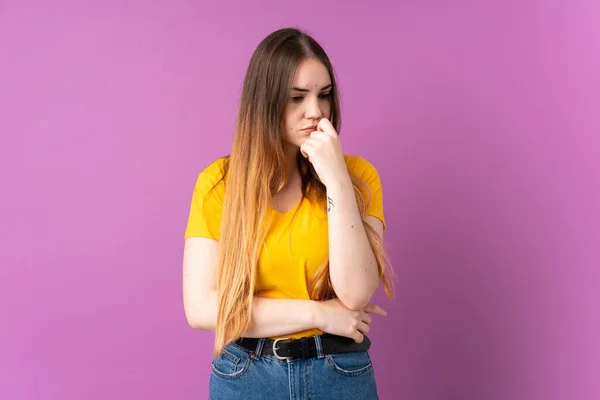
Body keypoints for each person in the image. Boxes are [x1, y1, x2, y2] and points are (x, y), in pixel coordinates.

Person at [182, 27, 395, 400]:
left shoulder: (360, 178)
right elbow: (202, 308)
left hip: (339, 375)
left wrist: (337, 181)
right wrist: (320, 315)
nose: (316, 112)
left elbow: (356, 292)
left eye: (324, 95)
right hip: (246, 377)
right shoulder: (218, 184)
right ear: (265, 103)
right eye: (298, 97)